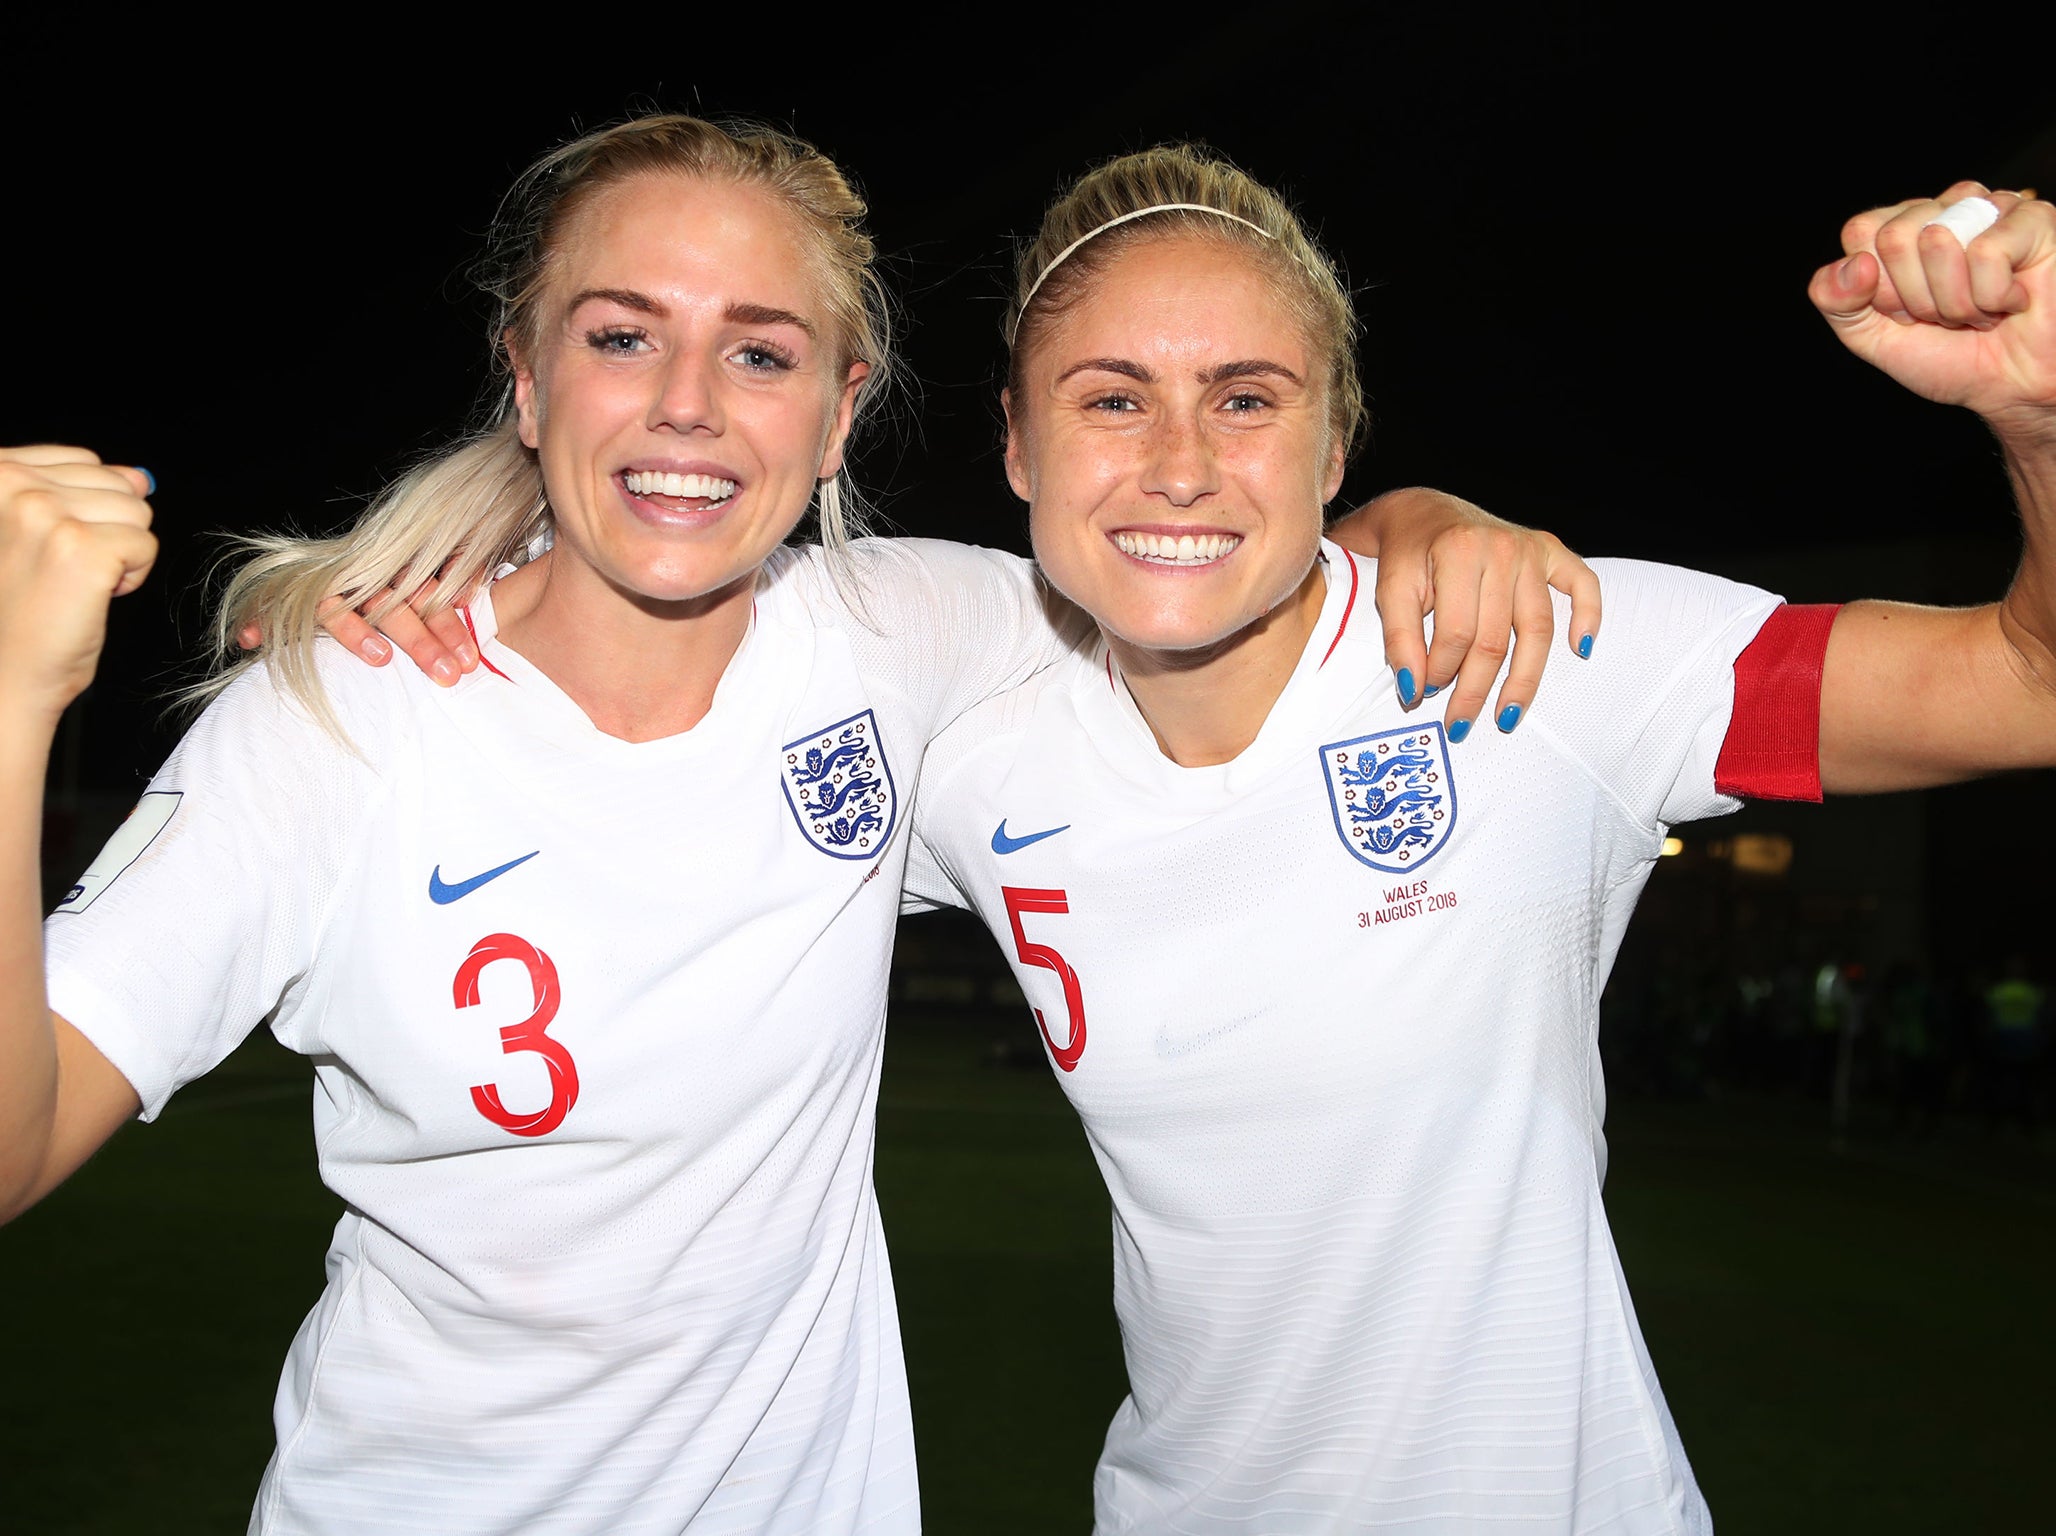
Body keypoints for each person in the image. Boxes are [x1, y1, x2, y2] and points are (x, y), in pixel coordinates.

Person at [0, 116, 1585, 1534]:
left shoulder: (905, 638)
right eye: (625, 338)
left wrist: (1416, 523)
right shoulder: (338, 719)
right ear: (529, 373)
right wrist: (13, 700)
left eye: (760, 355)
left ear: (842, 412)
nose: (689, 407)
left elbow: (1210, 553)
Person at [901, 147, 2056, 1532]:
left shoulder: (1526, 659)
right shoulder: (967, 754)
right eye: (1112, 400)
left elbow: (2024, 684)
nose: (1181, 467)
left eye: (1247, 400)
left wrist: (2040, 420)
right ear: (1020, 445)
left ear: (1334, 448)